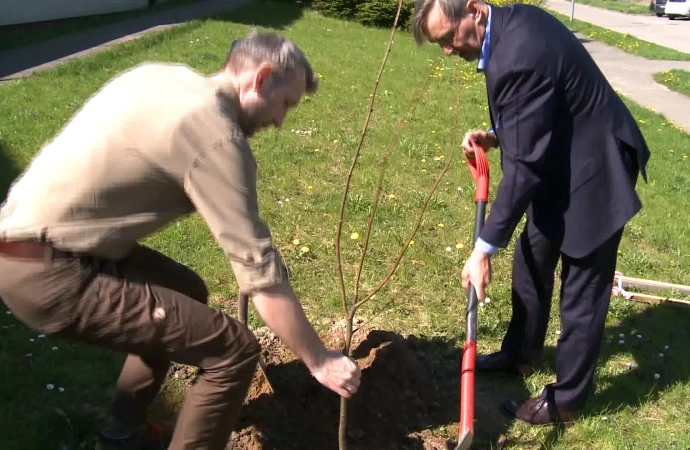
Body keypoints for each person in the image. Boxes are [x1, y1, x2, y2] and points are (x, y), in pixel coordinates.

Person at [0, 30, 361, 450]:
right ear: (260, 78)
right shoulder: (215, 138)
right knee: (235, 351)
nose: (280, 121)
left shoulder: (162, 77)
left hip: (28, 242)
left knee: (185, 291)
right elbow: (261, 280)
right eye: (285, 105)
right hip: (50, 275)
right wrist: (319, 361)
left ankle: (123, 435)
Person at [411, 0, 649, 425]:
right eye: (440, 44)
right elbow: (536, 106)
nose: (447, 50)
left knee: (581, 286)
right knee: (532, 256)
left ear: (474, 10)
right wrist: (496, 134)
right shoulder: (506, 31)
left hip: (599, 164)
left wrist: (482, 250)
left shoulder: (519, 50)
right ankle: (520, 354)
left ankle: (567, 401)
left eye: (448, 37)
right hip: (563, 157)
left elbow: (522, 172)